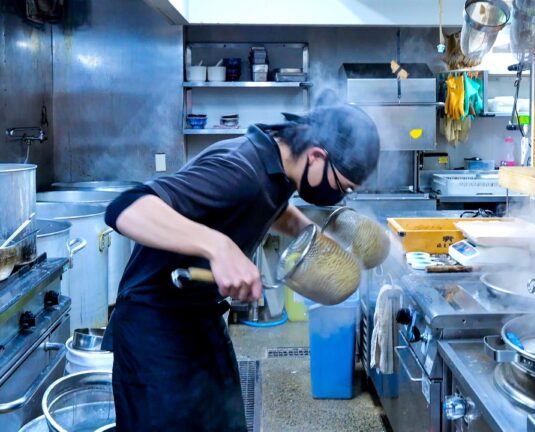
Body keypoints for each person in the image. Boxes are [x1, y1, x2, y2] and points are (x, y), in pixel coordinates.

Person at [102, 94, 380, 431]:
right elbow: (126, 207)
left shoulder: (278, 167)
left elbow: (269, 205)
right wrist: (218, 247)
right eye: (342, 186)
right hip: (154, 328)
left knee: (228, 423)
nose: (340, 195)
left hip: (199, 317)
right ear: (317, 155)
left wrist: (307, 231)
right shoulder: (239, 169)